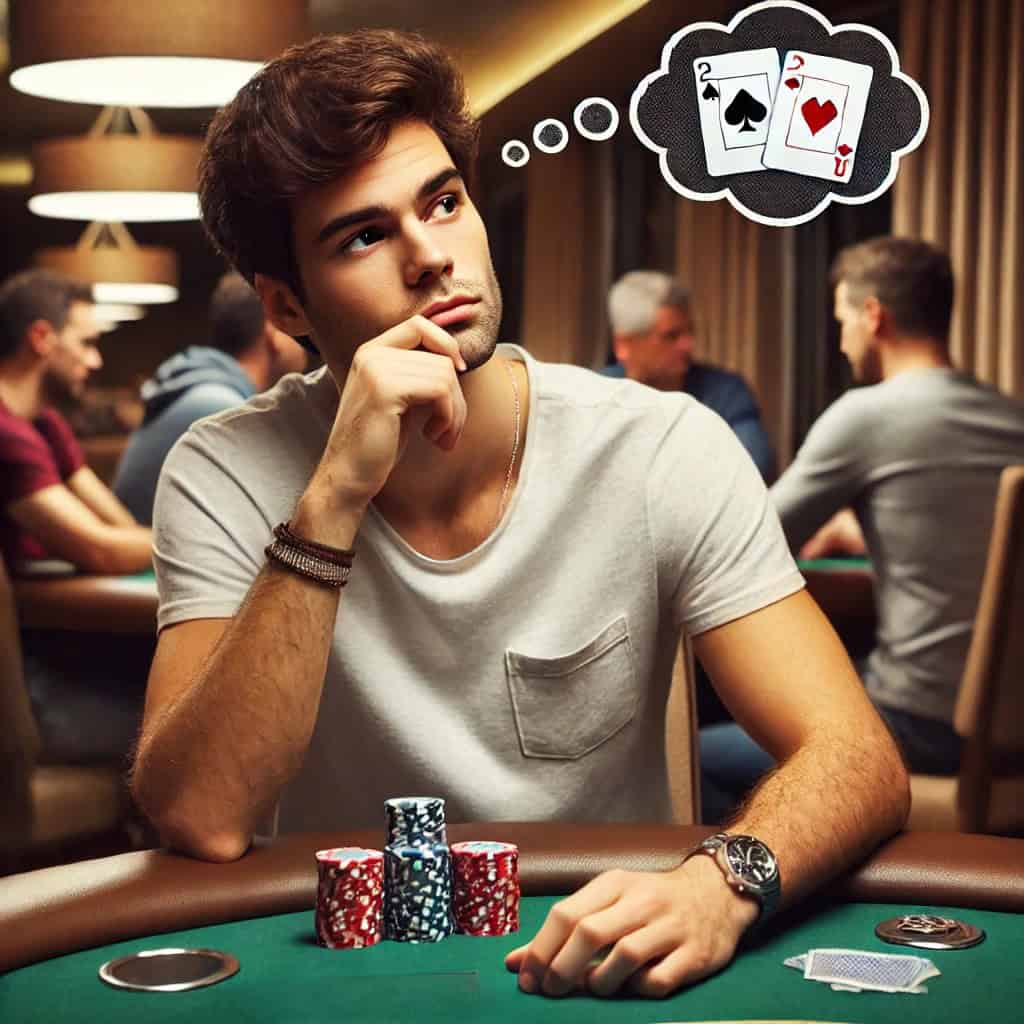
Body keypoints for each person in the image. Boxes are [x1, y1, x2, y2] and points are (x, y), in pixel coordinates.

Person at [131, 31, 908, 1001]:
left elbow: (857, 756)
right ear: (286, 305)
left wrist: (722, 883)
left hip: (606, 972)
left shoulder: (660, 444)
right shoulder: (221, 467)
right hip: (344, 979)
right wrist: (332, 499)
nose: (431, 257)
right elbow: (201, 816)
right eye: (364, 236)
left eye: (443, 202)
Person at [701, 236, 1024, 823]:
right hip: (1008, 733)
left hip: (921, 725)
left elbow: (747, 538)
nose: (842, 340)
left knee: (693, 759)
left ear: (874, 316)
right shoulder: (1011, 418)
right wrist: (869, 529)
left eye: (842, 320)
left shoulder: (868, 414)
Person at [113, 272, 309, 524]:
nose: (308, 337)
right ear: (272, 331)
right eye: (293, 316)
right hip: (144, 549)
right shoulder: (223, 409)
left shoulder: (204, 389)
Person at [0, 269, 152, 575]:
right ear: (41, 338)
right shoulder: (6, 432)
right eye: (86, 343)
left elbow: (121, 526)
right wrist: (204, 545)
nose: (96, 361)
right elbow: (103, 552)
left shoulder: (45, 421)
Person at [603, 271, 776, 481]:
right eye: (671, 336)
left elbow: (753, 468)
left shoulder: (726, 393)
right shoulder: (596, 395)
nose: (688, 345)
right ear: (623, 345)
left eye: (690, 332)